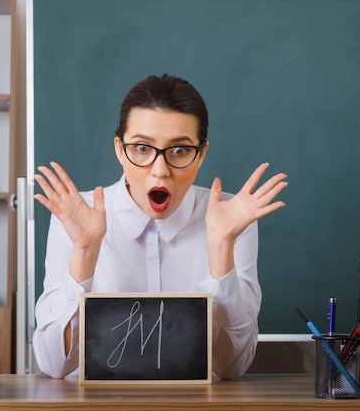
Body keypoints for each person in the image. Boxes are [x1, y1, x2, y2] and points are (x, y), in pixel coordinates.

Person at [32, 74, 287, 380]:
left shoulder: (231, 218)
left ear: (201, 154)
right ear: (119, 149)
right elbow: (52, 364)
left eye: (179, 150)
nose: (160, 170)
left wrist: (221, 247)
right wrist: (85, 251)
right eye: (142, 148)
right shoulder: (76, 216)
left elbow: (232, 367)